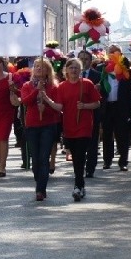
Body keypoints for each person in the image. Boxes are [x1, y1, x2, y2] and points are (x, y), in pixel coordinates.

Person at [42, 58, 101, 201]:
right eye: (71, 68)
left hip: (84, 125)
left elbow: (97, 103)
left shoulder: (87, 84)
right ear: (66, 70)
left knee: (80, 155)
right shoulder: (62, 86)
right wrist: (47, 99)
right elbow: (60, 107)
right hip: (69, 126)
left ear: (80, 70)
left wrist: (85, 106)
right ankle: (81, 184)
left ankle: (77, 185)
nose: (73, 70)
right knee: (76, 157)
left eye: (76, 68)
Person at [20, 58, 60, 201]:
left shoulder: (54, 87)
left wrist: (47, 107)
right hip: (32, 125)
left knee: (44, 158)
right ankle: (39, 180)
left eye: (41, 67)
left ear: (47, 70)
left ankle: (40, 189)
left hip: (48, 126)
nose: (38, 69)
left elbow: (57, 108)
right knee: (35, 159)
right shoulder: (27, 85)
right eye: (36, 66)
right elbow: (25, 102)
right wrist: (36, 91)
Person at [100, 45, 131, 171]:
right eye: (110, 52)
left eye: (115, 52)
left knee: (122, 135)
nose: (113, 54)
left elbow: (130, 93)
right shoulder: (103, 69)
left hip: (121, 107)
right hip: (107, 107)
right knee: (107, 135)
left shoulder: (127, 71)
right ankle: (107, 160)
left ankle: (123, 161)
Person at [77, 49, 102, 178]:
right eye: (81, 58)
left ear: (90, 61)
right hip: (76, 113)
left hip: (92, 113)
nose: (83, 61)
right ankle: (79, 165)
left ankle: (90, 167)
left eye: (86, 59)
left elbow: (104, 95)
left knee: (92, 141)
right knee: (78, 142)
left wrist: (99, 90)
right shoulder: (72, 74)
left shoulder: (97, 75)